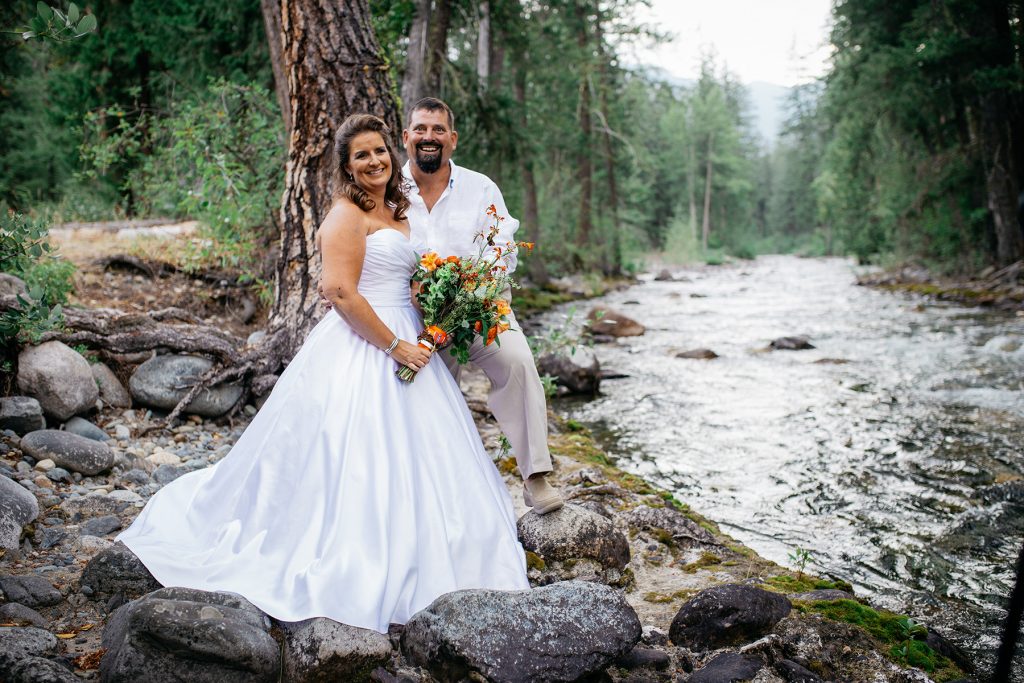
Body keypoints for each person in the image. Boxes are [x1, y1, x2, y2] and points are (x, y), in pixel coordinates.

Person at [116, 114, 530, 634]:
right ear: (346, 166)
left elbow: (411, 274)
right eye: (362, 155)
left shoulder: (397, 208)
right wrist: (396, 345)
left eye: (380, 151)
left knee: (428, 454)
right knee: (348, 454)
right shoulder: (343, 215)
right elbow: (338, 292)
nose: (375, 161)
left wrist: (436, 308)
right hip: (366, 344)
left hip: (409, 336)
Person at [401, 97, 564, 515]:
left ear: (452, 139)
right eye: (421, 129)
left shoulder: (481, 187)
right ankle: (426, 483)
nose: (429, 137)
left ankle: (535, 476)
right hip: (414, 315)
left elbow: (504, 254)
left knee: (517, 362)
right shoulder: (389, 190)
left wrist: (471, 286)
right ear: (406, 138)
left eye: (438, 130)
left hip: (481, 307)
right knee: (418, 388)